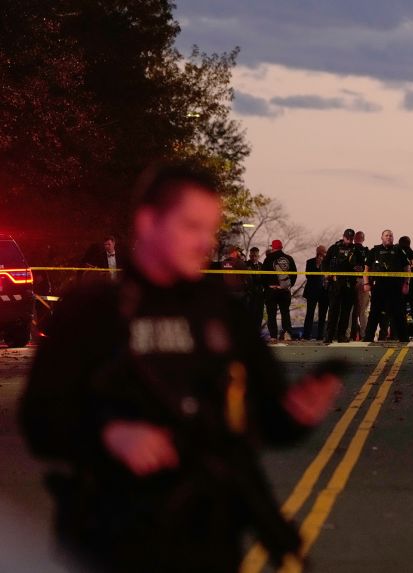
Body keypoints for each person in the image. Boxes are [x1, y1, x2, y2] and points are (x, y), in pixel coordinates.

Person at [19, 162, 342, 573]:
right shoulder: (93, 311)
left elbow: (262, 425)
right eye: (191, 226)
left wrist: (295, 412)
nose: (204, 242)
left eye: (209, 229)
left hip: (207, 538)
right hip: (114, 534)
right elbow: (39, 421)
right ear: (148, 221)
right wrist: (110, 435)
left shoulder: (223, 314)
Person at [363, 230, 410, 342]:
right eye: (386, 235)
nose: (389, 237)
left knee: (399, 313)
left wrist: (406, 283)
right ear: (382, 237)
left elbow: (407, 268)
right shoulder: (374, 251)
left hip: (395, 286)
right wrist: (366, 283)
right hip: (379, 286)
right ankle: (368, 337)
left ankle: (403, 338)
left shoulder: (399, 250)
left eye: (391, 236)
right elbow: (366, 269)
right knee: (374, 312)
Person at [323, 229, 361, 343]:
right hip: (335, 283)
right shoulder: (334, 248)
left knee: (346, 312)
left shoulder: (356, 249)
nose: (349, 240)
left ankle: (341, 335)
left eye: (351, 238)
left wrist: (358, 267)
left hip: (349, 283)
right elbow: (325, 262)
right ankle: (329, 335)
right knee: (333, 311)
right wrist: (326, 273)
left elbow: (361, 265)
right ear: (343, 237)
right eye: (347, 238)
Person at [262, 240, 298, 342]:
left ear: (273, 248)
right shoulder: (289, 258)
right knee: (285, 313)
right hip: (284, 291)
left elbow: (263, 275)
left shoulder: (268, 259)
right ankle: (287, 334)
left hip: (272, 291)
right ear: (281, 247)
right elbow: (294, 274)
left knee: (272, 314)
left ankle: (273, 336)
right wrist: (288, 286)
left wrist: (267, 287)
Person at [302, 245, 329, 341]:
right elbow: (308, 276)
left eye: (324, 252)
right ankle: (306, 335)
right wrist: (317, 266)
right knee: (310, 313)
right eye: (321, 251)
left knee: (322, 315)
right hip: (312, 291)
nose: (323, 254)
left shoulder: (328, 263)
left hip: (324, 292)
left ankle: (320, 335)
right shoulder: (310, 262)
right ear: (317, 252)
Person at [350, 231, 371, 341]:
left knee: (359, 310)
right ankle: (354, 334)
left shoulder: (366, 251)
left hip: (360, 281)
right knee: (355, 310)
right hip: (355, 281)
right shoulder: (350, 249)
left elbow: (370, 266)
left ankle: (361, 334)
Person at [246, 247, 266, 336]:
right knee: (250, 314)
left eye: (255, 255)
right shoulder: (246, 265)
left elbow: (264, 279)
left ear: (258, 256)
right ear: (250, 255)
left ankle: (257, 333)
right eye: (252, 255)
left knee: (259, 314)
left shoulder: (262, 265)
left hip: (260, 294)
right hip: (250, 294)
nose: (253, 257)